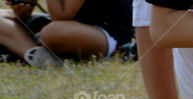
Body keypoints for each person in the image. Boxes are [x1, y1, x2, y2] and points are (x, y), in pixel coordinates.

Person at [0, 0, 131, 66]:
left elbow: (61, 16)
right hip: (72, 27)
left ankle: (42, 53)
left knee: (51, 32)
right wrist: (23, 11)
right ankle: (37, 55)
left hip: (108, 35)